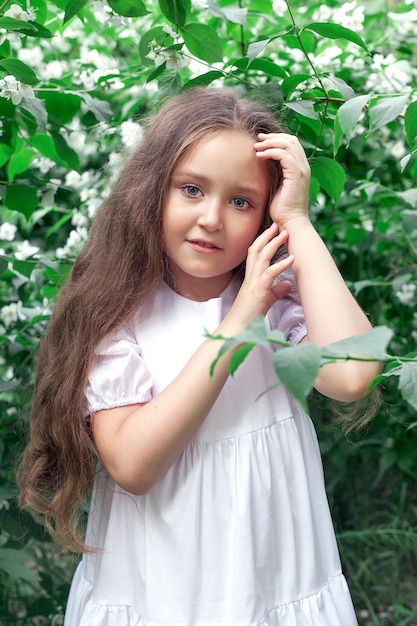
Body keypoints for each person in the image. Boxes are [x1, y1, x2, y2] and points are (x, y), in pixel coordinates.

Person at [17, 87, 380, 626]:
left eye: (241, 202)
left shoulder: (275, 300)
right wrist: (237, 326)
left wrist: (299, 223)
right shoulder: (118, 315)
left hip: (276, 581)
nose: (212, 218)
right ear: (150, 191)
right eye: (191, 189)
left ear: (265, 218)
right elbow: (134, 466)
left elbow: (352, 375)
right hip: (165, 590)